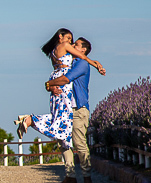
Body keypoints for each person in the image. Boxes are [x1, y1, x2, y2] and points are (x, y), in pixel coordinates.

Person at [13, 29, 102, 157]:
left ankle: (31, 120)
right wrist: (95, 63)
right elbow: (82, 56)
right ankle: (31, 120)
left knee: (58, 117)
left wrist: (50, 85)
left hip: (55, 78)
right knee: (62, 122)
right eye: (69, 38)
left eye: (72, 41)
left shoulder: (53, 53)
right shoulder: (64, 46)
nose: (70, 42)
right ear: (60, 36)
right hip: (63, 82)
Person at [46, 37, 104, 183]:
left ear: (83, 49)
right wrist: (51, 86)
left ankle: (86, 176)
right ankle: (70, 176)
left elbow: (66, 79)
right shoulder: (71, 62)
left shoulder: (81, 64)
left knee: (79, 143)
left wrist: (48, 83)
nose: (71, 46)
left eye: (75, 45)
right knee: (64, 141)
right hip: (66, 108)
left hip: (78, 109)